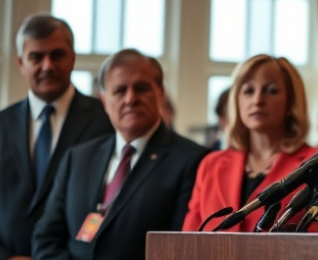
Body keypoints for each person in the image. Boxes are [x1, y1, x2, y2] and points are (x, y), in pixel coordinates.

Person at [33, 49, 207, 260]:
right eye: (119, 91)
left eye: (141, 88)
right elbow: (46, 239)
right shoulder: (77, 158)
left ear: (160, 93)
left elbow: (179, 249)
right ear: (104, 101)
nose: (130, 99)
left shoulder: (194, 161)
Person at [0, 14, 112, 259]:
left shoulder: (106, 121)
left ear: (73, 58)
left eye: (57, 55)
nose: (47, 65)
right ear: (22, 63)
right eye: (36, 57)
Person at [182, 55, 318, 232]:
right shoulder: (211, 165)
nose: (257, 100)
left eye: (271, 90)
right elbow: (187, 240)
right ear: (236, 102)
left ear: (291, 101)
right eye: (248, 91)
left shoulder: (317, 163)